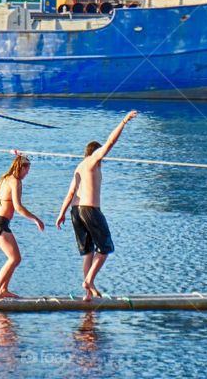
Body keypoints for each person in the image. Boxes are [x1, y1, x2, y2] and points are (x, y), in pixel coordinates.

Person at [56, 111, 137, 301]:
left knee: (88, 252)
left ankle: (88, 294)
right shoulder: (93, 161)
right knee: (105, 248)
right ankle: (89, 281)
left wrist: (61, 214)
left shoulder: (79, 167)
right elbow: (110, 143)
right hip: (90, 210)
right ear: (95, 153)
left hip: (75, 211)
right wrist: (123, 121)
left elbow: (70, 193)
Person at [0, 152, 44, 299]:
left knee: (15, 258)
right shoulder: (16, 182)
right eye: (27, 171)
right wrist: (36, 219)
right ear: (21, 168)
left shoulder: (4, 179)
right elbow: (18, 207)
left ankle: (4, 289)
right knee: (14, 259)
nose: (27, 174)